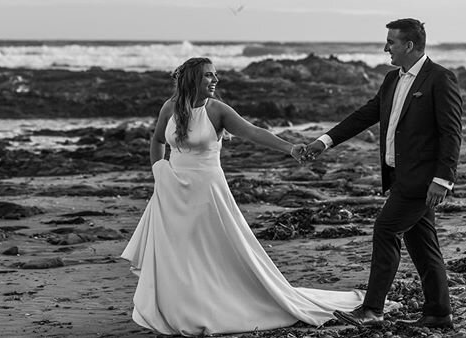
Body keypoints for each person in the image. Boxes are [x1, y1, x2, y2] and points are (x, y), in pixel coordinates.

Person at [121, 57, 375, 336]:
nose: (215, 80)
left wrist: (290, 148)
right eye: (208, 76)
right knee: (178, 250)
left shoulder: (217, 110)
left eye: (215, 75)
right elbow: (157, 140)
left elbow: (253, 132)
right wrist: (159, 171)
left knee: (211, 248)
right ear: (192, 79)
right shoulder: (170, 107)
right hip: (172, 189)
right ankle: (180, 307)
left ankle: (212, 305)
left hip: (207, 191)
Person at [303, 18, 462, 329]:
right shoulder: (391, 79)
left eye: (391, 41)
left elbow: (451, 132)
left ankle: (373, 309)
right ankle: (439, 314)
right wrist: (324, 141)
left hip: (422, 180)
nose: (385, 47)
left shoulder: (440, 79)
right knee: (423, 245)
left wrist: (443, 179)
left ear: (409, 45)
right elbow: (366, 114)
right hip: (398, 177)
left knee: (386, 229)